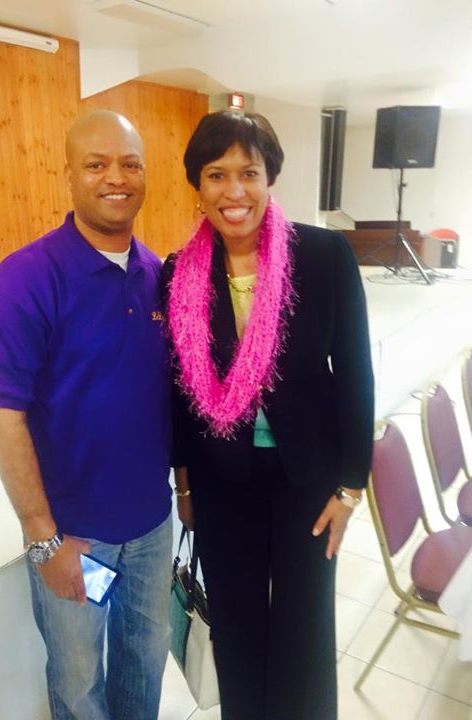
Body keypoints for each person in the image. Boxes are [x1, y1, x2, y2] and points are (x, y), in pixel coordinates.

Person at [161, 111, 374, 720]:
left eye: (248, 173)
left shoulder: (324, 254)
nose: (235, 192)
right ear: (197, 188)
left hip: (309, 475)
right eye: (216, 175)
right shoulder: (180, 275)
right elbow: (179, 390)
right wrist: (184, 481)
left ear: (270, 177)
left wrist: (351, 487)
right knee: (237, 622)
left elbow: (356, 373)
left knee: (305, 629)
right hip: (222, 479)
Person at [0, 109, 173, 720]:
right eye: (97, 163)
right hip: (76, 538)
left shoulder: (157, 276)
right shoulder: (25, 280)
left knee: (146, 657)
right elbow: (4, 416)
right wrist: (43, 538)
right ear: (69, 176)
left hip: (150, 532)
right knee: (80, 681)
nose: (116, 177)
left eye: (130, 163)